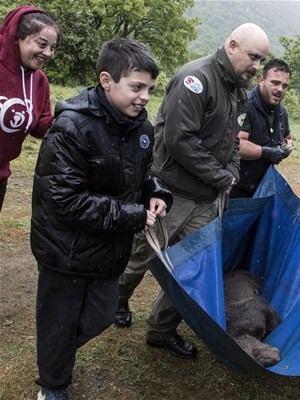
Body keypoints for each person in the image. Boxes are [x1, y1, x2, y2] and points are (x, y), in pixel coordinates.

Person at [114, 23, 270, 360]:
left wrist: (230, 174)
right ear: (232, 46)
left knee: (193, 271)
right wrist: (220, 176)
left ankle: (161, 330)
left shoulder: (237, 90)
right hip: (170, 192)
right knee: (141, 257)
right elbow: (179, 140)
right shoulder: (195, 79)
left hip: (206, 199)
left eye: (261, 60)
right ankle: (118, 300)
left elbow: (232, 142)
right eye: (254, 57)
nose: (257, 66)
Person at [30, 38, 171, 400]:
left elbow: (143, 174)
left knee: (102, 315)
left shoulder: (141, 128)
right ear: (106, 80)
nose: (144, 97)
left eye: (149, 89)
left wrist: (156, 193)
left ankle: (54, 354)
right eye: (136, 87)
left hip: (110, 248)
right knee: (58, 324)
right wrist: (134, 215)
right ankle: (53, 385)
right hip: (66, 250)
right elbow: (65, 200)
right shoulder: (71, 128)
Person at [0, 5, 58, 213]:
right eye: (42, 44)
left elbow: (40, 127)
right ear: (17, 37)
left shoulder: (39, 81)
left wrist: (65, 118)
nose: (48, 53)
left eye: (52, 47)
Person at [230, 58, 293, 198]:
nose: (279, 89)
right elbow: (237, 145)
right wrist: (267, 152)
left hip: (262, 188)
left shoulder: (281, 111)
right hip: (236, 187)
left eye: (284, 86)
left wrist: (287, 147)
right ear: (261, 80)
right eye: (275, 83)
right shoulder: (245, 104)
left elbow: (287, 138)